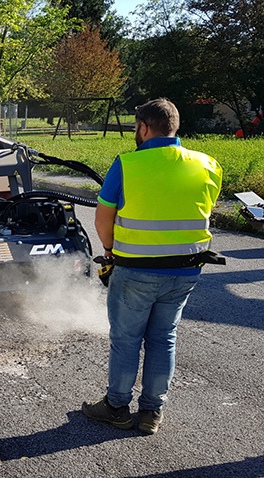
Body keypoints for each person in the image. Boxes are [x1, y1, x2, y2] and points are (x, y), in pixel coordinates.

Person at [82, 98, 223, 434]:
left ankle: (117, 407)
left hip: (136, 270)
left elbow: (103, 218)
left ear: (144, 128)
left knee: (127, 340)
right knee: (164, 338)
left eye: (137, 127)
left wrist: (109, 250)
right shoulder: (208, 164)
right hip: (185, 271)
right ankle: (151, 412)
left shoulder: (128, 164)